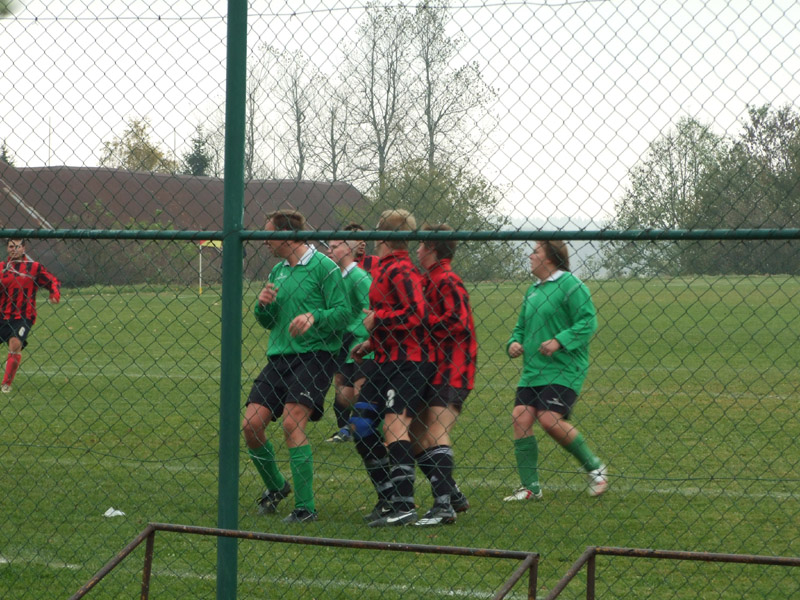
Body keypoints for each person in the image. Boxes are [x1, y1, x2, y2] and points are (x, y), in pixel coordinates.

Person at [242, 210, 350, 523]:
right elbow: (268, 321)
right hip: (280, 357)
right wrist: (263, 306)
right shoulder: (277, 271)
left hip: (315, 356)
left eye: (269, 233)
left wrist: (313, 317)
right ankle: (276, 486)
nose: (264, 240)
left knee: (292, 424)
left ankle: (305, 508)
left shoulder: (324, 268)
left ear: (289, 236)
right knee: (251, 425)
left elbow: (343, 313)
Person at [505, 240, 607, 502]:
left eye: (536, 252)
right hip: (533, 371)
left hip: (564, 367)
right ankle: (530, 488)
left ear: (549, 258)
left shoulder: (571, 285)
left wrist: (560, 341)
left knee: (549, 420)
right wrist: (514, 343)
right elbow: (520, 327)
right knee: (520, 418)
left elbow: (588, 321)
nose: (530, 256)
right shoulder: (533, 291)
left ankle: (595, 468)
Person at [351, 209, 435, 527]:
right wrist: (371, 343)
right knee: (360, 424)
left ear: (384, 236)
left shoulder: (401, 270)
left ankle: (404, 505)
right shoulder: (385, 269)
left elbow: (416, 314)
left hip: (408, 363)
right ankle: (388, 496)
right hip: (384, 361)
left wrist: (378, 320)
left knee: (394, 428)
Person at [412, 224, 477, 526]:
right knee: (413, 437)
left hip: (452, 367)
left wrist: (423, 322)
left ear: (433, 249)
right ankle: (452, 493)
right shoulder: (429, 280)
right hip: (431, 367)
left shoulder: (448, 280)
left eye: (421, 245)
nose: (417, 250)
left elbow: (459, 323)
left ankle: (443, 506)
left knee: (437, 429)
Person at [325, 238, 373, 443]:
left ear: (348, 250)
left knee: (361, 388)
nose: (329, 250)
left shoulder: (359, 277)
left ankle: (362, 431)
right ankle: (347, 427)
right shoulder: (337, 277)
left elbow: (370, 310)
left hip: (362, 341)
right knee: (343, 394)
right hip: (344, 340)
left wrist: (364, 336)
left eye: (335, 247)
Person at [0, 239, 60, 393]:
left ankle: (6, 384)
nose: (14, 249)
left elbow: (52, 281)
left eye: (18, 246)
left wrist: (54, 293)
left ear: (24, 248)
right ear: (7, 249)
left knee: (15, 343)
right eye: (11, 246)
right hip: (2, 314)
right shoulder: (1, 268)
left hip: (23, 315)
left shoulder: (34, 268)